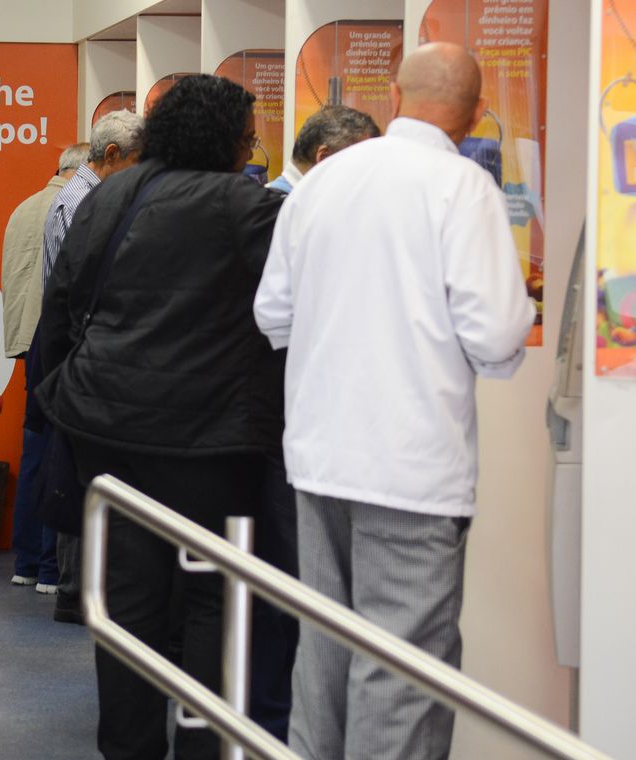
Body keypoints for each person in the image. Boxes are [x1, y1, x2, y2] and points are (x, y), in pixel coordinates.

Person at [253, 42, 536, 760]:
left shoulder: (322, 179)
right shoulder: (461, 187)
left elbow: (272, 314)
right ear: (475, 113)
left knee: (324, 649)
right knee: (402, 665)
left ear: (397, 97)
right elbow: (500, 334)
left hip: (317, 459)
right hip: (412, 467)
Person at [37, 75, 284, 760]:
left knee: (126, 603)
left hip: (105, 429)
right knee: (211, 600)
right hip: (210, 441)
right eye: (247, 132)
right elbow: (290, 313)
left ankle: (129, 748)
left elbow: (59, 308)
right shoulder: (247, 204)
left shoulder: (109, 193)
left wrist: (55, 395)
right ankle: (202, 750)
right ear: (228, 139)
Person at [250, 103, 380, 743]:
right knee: (297, 585)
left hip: (299, 427)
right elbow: (272, 320)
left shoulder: (288, 207)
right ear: (328, 158)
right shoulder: (278, 210)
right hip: (286, 425)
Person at [38, 110, 143, 613]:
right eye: (137, 162)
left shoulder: (84, 197)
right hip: (82, 352)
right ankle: (76, 591)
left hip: (78, 350)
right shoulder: (84, 203)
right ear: (113, 156)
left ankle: (78, 589)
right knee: (78, 472)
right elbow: (72, 289)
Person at [2, 142, 88, 591]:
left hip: (27, 339)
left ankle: (27, 560)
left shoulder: (24, 207)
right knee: (56, 452)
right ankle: (52, 568)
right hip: (55, 342)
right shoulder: (73, 206)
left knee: (33, 449)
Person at [265, 105, 379, 194]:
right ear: (324, 159)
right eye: (361, 167)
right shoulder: (285, 213)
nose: (365, 179)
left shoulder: (281, 205)